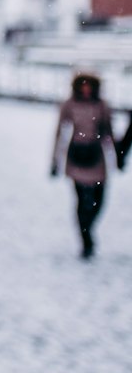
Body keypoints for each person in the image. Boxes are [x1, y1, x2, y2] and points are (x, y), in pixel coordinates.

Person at [51, 72, 115, 259]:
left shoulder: (102, 106)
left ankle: (88, 228)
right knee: (81, 202)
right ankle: (86, 239)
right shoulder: (69, 105)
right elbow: (59, 132)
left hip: (96, 159)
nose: (86, 90)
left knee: (99, 202)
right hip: (77, 158)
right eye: (83, 86)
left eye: (89, 86)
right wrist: (55, 160)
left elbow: (109, 132)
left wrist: (118, 155)